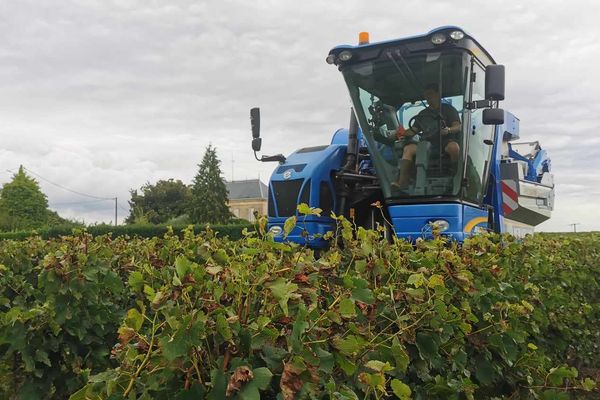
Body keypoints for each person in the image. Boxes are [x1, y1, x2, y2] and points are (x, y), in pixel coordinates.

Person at [392, 84, 461, 189]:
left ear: (438, 94)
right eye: (426, 95)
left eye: (430, 94)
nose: (427, 97)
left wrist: (448, 130)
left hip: (445, 142)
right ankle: (403, 182)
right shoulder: (423, 113)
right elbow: (412, 131)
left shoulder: (449, 109)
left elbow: (458, 126)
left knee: (454, 147)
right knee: (408, 149)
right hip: (426, 144)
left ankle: (457, 179)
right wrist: (400, 132)